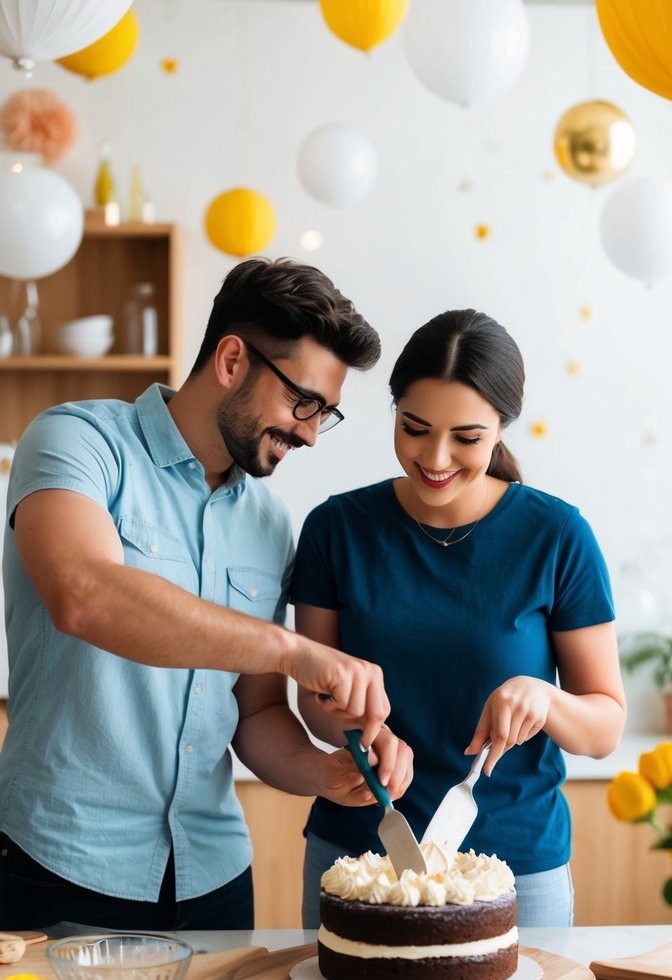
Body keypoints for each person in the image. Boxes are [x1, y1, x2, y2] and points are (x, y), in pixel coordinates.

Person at [0, 257, 398, 933]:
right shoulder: (77, 442)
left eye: (323, 414)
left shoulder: (269, 524)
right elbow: (83, 593)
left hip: (212, 878)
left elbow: (255, 712)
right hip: (59, 864)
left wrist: (323, 771)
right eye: (302, 402)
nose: (307, 432)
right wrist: (290, 649)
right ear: (232, 359)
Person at [291, 309, 626, 928]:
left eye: (466, 439)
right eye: (413, 428)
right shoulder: (336, 530)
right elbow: (312, 699)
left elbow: (604, 728)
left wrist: (543, 699)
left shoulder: (557, 536)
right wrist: (360, 723)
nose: (435, 457)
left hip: (518, 865)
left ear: (501, 429)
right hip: (360, 849)